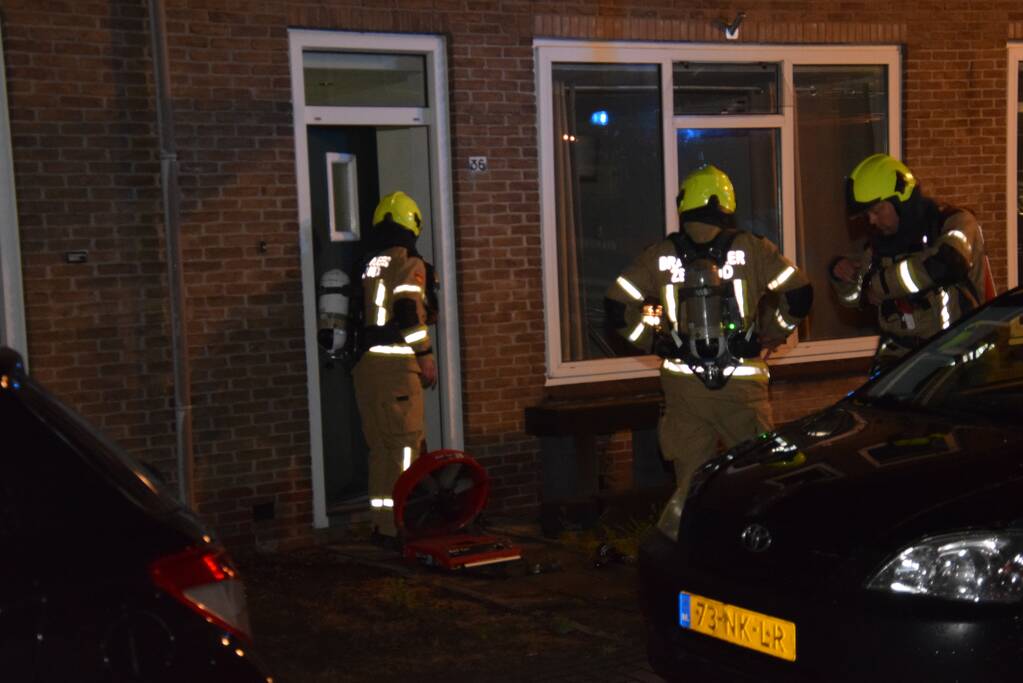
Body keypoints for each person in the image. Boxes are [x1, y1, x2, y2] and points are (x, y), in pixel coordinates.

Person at [604, 164, 812, 495]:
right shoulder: (753, 249)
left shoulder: (660, 254)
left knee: (690, 488)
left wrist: (653, 343)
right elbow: (800, 294)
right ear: (726, 204)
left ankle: (686, 529)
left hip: (684, 390)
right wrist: (774, 332)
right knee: (756, 481)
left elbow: (616, 306)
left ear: (684, 205)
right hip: (742, 390)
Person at [829, 153, 993, 374]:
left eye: (877, 210)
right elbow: (859, 298)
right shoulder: (879, 246)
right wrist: (841, 276)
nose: (872, 220)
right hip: (900, 362)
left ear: (901, 198)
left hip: (959, 362)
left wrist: (880, 285)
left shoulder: (955, 223)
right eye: (868, 214)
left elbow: (946, 263)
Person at [352, 190, 438, 543]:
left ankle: (382, 525)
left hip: (366, 368)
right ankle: (403, 526)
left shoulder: (370, 263)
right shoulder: (408, 262)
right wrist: (425, 355)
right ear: (412, 224)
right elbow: (407, 311)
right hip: (396, 370)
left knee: (381, 451)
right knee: (404, 449)